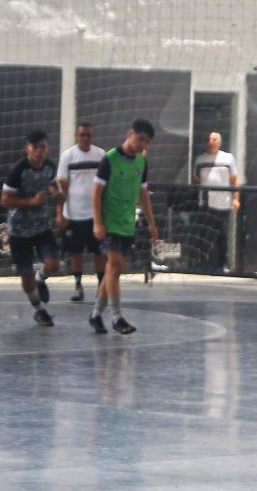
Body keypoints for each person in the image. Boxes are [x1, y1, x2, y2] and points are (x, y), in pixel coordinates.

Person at [90, 118, 159, 335]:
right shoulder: (109, 159)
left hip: (127, 223)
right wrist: (97, 222)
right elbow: (96, 192)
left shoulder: (141, 162)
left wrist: (151, 224)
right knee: (116, 264)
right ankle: (117, 317)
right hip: (108, 223)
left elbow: (143, 194)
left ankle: (95, 315)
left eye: (146, 141)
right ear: (130, 134)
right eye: (140, 139)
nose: (142, 144)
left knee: (113, 269)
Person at [1, 129, 60, 326]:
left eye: (43, 147)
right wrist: (32, 201)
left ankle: (41, 278)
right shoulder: (19, 170)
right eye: (35, 148)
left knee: (53, 264)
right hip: (19, 231)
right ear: (27, 149)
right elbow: (5, 199)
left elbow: (55, 189)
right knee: (25, 276)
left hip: (42, 227)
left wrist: (58, 196)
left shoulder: (51, 167)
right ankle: (39, 310)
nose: (40, 151)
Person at [56, 121, 106, 302]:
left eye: (88, 135)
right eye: (82, 135)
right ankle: (78, 286)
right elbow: (62, 187)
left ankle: (101, 287)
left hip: (96, 215)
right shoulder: (67, 156)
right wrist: (59, 213)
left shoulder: (101, 155)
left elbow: (105, 185)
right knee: (76, 252)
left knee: (99, 252)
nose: (85, 138)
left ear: (92, 137)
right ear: (76, 136)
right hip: (74, 215)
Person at [192, 131, 239, 272]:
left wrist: (236, 199)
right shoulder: (199, 160)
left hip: (223, 203)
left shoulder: (228, 158)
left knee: (222, 234)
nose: (211, 142)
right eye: (209, 139)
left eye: (214, 139)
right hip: (205, 203)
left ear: (219, 142)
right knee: (205, 234)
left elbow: (234, 180)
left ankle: (222, 264)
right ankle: (204, 264)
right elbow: (195, 180)